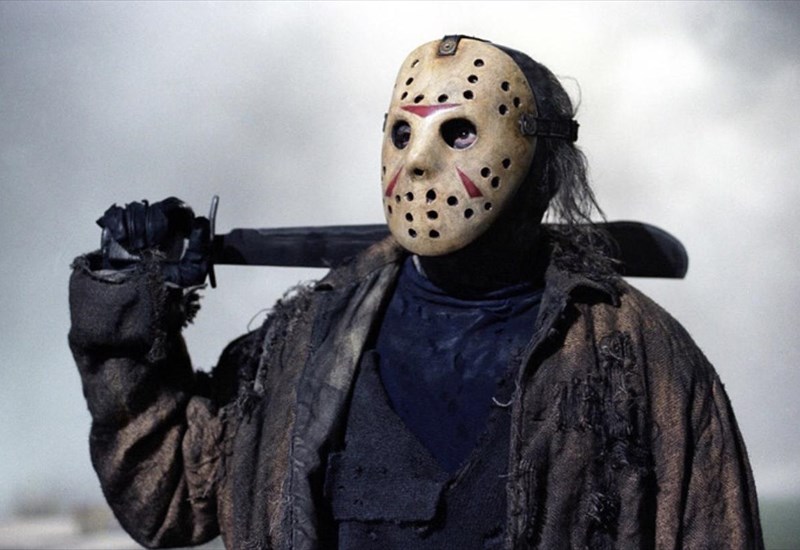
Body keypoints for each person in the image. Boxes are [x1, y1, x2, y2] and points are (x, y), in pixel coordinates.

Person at [69, 36, 763, 549]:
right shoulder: (304, 343)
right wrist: (124, 305)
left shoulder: (639, 362)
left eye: (458, 132)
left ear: (545, 171)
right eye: (402, 131)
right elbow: (168, 498)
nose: (418, 161)